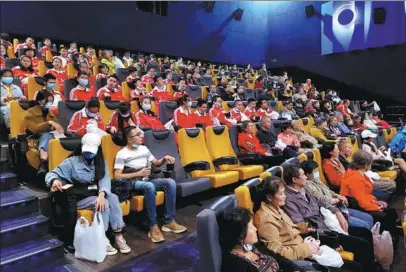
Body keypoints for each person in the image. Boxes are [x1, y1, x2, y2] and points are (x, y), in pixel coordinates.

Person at [45, 133, 131, 255]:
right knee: (104, 203)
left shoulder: (101, 162)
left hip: (95, 194)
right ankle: (103, 237)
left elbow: (104, 181)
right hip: (79, 198)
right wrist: (55, 180)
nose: (89, 154)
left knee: (113, 197)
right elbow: (52, 174)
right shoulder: (72, 162)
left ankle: (118, 235)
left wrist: (101, 195)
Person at [255, 176, 361, 272]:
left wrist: (304, 229)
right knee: (352, 268)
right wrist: (308, 249)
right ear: (269, 197)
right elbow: (276, 253)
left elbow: (288, 230)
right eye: (281, 194)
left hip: (305, 247)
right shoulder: (265, 219)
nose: (285, 196)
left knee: (355, 266)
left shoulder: (275, 207)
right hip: (299, 258)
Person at [282, 165, 376, 272]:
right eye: (303, 175)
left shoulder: (305, 188)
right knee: (362, 245)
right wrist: (329, 240)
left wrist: (337, 213)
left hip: (329, 223)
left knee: (365, 233)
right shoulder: (288, 199)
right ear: (294, 179)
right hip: (322, 233)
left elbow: (320, 202)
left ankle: (371, 266)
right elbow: (301, 225)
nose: (306, 177)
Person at [114, 126, 187, 243]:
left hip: (148, 179)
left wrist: (164, 159)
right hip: (134, 182)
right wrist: (139, 173)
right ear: (130, 139)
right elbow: (117, 175)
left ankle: (169, 221)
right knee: (150, 186)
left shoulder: (143, 149)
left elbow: (156, 163)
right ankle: (153, 226)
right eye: (137, 135)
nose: (140, 136)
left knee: (170, 182)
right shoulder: (122, 154)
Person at [219, 207, 303, 272]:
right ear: (240, 235)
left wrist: (296, 270)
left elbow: (278, 258)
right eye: (251, 227)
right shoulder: (236, 265)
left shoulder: (254, 245)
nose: (255, 229)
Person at [340, 151, 399, 237]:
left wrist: (375, 202)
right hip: (354, 206)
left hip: (359, 203)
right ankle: (388, 237)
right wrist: (376, 207)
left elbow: (365, 195)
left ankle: (392, 233)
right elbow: (362, 202)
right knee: (387, 215)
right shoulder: (355, 178)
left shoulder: (357, 172)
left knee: (391, 212)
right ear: (366, 165)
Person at [301, 160, 374, 230]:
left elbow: (328, 190)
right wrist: (338, 200)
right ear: (307, 174)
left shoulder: (317, 181)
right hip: (329, 212)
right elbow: (320, 198)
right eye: (315, 171)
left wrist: (337, 196)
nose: (317, 173)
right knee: (364, 225)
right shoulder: (307, 185)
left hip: (338, 207)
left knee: (369, 218)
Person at [24, 91, 63, 175]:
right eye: (47, 101)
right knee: (46, 135)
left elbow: (56, 126)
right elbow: (34, 129)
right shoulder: (30, 112)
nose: (50, 103)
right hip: (36, 139)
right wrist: (49, 123)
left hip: (52, 136)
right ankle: (43, 160)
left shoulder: (49, 112)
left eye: (51, 101)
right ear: (40, 101)